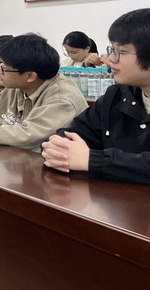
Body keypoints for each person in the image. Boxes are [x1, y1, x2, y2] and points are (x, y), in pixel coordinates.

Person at [42, 9, 150, 183]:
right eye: (112, 49)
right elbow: (73, 133)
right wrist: (57, 148)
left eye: (121, 52)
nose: (111, 59)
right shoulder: (116, 95)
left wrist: (92, 160)